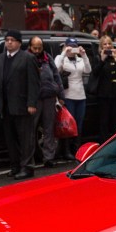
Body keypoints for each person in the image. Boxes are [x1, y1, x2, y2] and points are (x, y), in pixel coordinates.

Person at [0, 30, 39, 180]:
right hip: (5, 105)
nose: (9, 42)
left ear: (19, 42)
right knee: (10, 138)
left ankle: (27, 166)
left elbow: (34, 82)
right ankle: (15, 165)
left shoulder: (28, 58)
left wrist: (32, 102)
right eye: (7, 40)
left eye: (12, 40)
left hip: (22, 104)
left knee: (25, 138)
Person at [28, 36, 65, 167]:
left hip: (49, 97)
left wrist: (61, 96)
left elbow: (56, 76)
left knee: (49, 129)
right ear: (30, 47)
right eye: (34, 48)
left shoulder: (47, 58)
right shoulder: (27, 58)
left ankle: (48, 157)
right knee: (30, 130)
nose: (37, 50)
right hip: (34, 100)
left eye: (39, 48)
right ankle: (29, 159)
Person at [54, 37, 91, 157]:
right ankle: (66, 150)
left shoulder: (80, 60)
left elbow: (88, 70)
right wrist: (64, 52)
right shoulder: (61, 58)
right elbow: (56, 68)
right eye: (70, 46)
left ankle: (76, 149)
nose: (72, 49)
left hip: (80, 95)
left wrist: (84, 55)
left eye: (74, 46)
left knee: (78, 124)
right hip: (68, 95)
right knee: (68, 123)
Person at [92, 35, 116, 141]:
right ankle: (104, 141)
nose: (107, 46)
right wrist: (102, 60)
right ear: (101, 46)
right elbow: (95, 73)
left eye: (109, 44)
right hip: (104, 94)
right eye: (105, 44)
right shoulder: (98, 57)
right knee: (104, 121)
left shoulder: (114, 57)